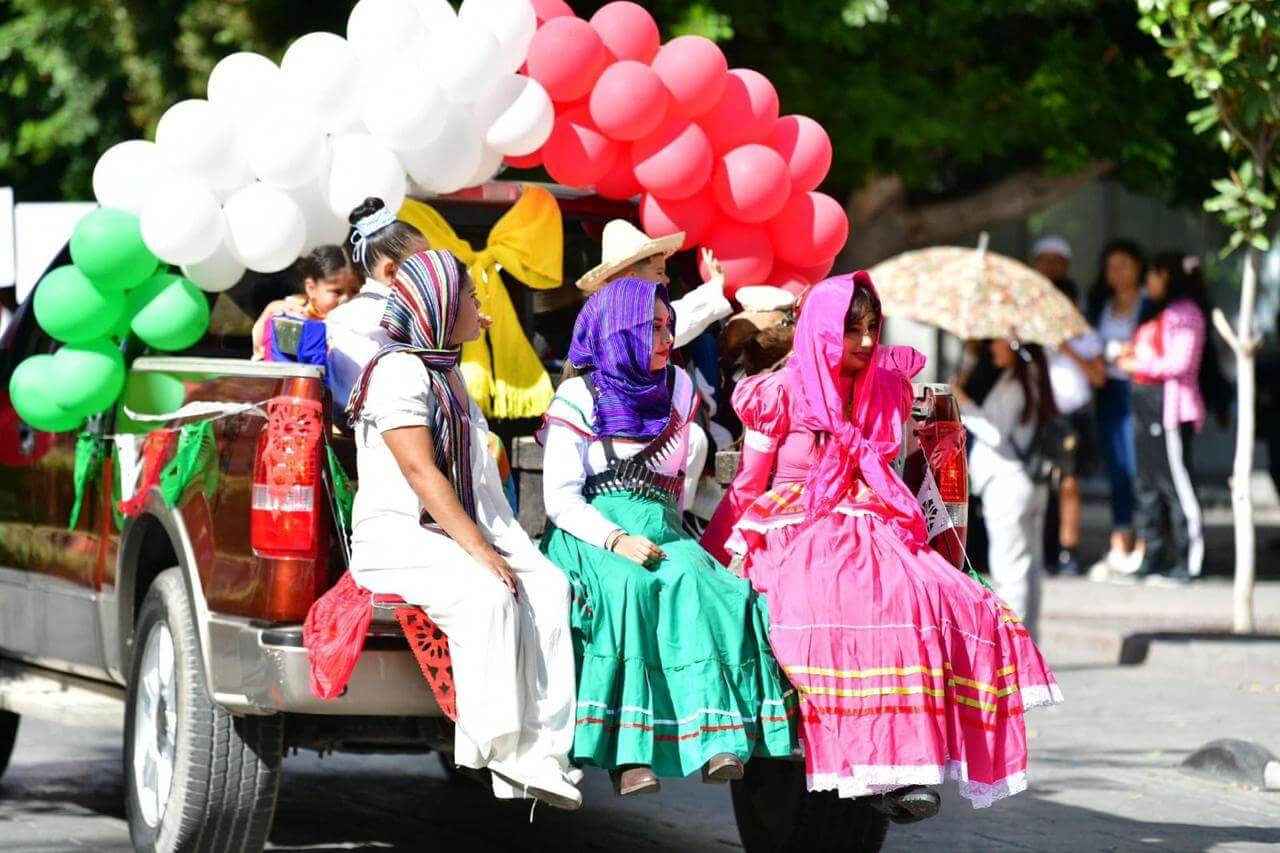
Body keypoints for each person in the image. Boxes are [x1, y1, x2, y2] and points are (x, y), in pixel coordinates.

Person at [703, 274, 1061, 816]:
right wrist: (716, 558)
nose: (867, 342)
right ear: (823, 330)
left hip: (870, 522)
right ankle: (871, 767)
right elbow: (750, 484)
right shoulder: (776, 393)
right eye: (852, 330)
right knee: (840, 597)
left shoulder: (887, 390)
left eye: (872, 328)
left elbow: (896, 471)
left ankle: (902, 768)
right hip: (793, 525)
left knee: (938, 596)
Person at [538, 278, 796, 797]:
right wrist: (615, 540)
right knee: (629, 588)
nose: (663, 338)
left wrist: (669, 536)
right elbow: (560, 500)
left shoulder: (678, 386)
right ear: (620, 330)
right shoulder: (577, 395)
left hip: (660, 525)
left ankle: (718, 738)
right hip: (590, 532)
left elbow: (677, 482)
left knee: (709, 587)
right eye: (652, 327)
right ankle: (627, 756)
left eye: (667, 327)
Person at [344, 249, 581, 810]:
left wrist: (506, 545)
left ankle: (545, 750)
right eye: (472, 297)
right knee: (488, 596)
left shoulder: (446, 371)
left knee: (550, 589)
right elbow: (419, 469)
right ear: (441, 306)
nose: (482, 307)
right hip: (399, 540)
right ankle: (498, 751)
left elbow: (477, 478)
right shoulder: (399, 370)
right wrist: (480, 551)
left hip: (459, 532)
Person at [575, 220, 735, 513]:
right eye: (660, 273)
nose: (667, 280)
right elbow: (683, 318)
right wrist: (714, 288)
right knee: (691, 441)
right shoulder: (616, 323)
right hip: (624, 433)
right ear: (634, 278)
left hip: (644, 442)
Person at [1115, 251, 1208, 583]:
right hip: (1145, 406)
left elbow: (1179, 364)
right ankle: (1154, 554)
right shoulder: (1157, 312)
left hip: (1170, 410)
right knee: (1147, 485)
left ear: (1167, 276)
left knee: (1177, 486)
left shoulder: (1186, 313)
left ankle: (1189, 559)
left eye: (1153, 275)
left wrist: (1136, 365)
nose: (1148, 283)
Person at [958, 339, 1058, 639]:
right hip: (1028, 482)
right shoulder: (1032, 377)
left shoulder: (1016, 383)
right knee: (1030, 567)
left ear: (1015, 343)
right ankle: (1031, 643)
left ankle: (1015, 649)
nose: (993, 347)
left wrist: (963, 403)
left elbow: (995, 433)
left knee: (1010, 571)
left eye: (999, 340)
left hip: (1007, 482)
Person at [1032, 236, 1106, 576]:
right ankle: (1042, 547)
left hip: (1073, 416)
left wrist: (1068, 348)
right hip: (1041, 414)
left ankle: (1067, 551)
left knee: (1069, 485)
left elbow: (1099, 376)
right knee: (1040, 485)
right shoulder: (1034, 332)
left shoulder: (1085, 336)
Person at [327, 197, 430, 417]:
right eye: (424, 266)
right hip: (396, 432)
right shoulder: (390, 316)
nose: (432, 273)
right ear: (391, 271)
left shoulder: (342, 315)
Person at [1085, 240, 1148, 577]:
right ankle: (1121, 538)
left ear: (1138, 267)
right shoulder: (1101, 305)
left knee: (1142, 466)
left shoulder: (1149, 304)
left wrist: (1126, 356)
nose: (1116, 272)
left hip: (1139, 392)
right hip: (1109, 392)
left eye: (1123, 264)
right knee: (1118, 466)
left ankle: (1147, 542)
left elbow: (1146, 352)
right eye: (1111, 266)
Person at [252, 244, 361, 362]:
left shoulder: (364, 320)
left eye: (355, 291)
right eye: (337, 292)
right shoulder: (290, 318)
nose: (346, 299)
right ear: (311, 288)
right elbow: (283, 367)